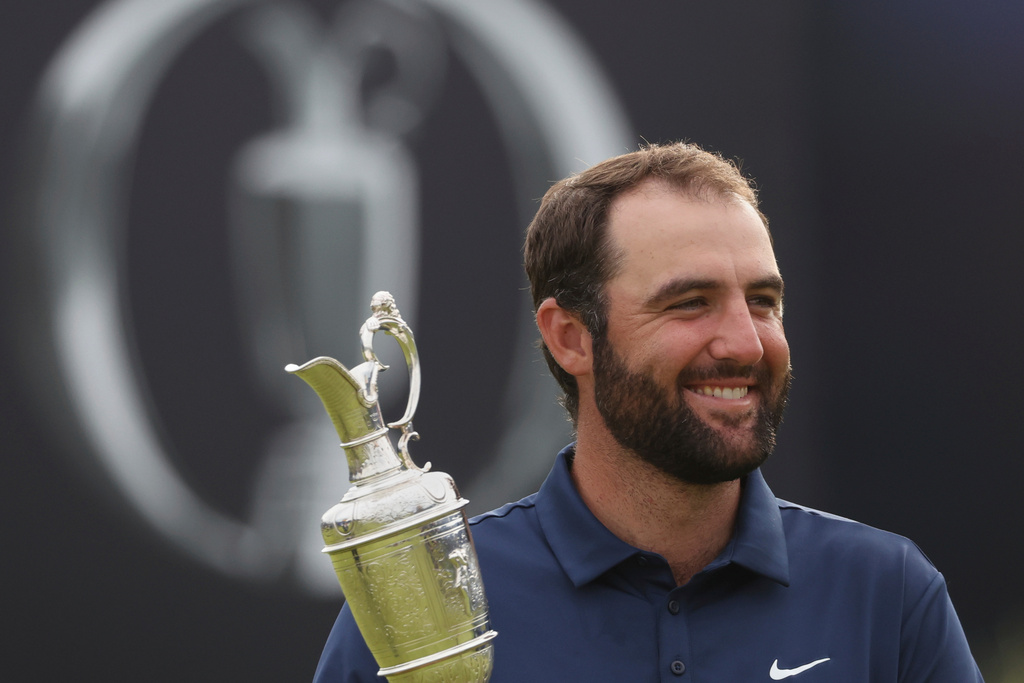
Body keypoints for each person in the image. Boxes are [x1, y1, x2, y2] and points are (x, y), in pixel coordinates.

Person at [312, 142, 983, 682]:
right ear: (570, 336)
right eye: (691, 301)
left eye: (763, 301)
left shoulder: (885, 593)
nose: (746, 342)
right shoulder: (426, 613)